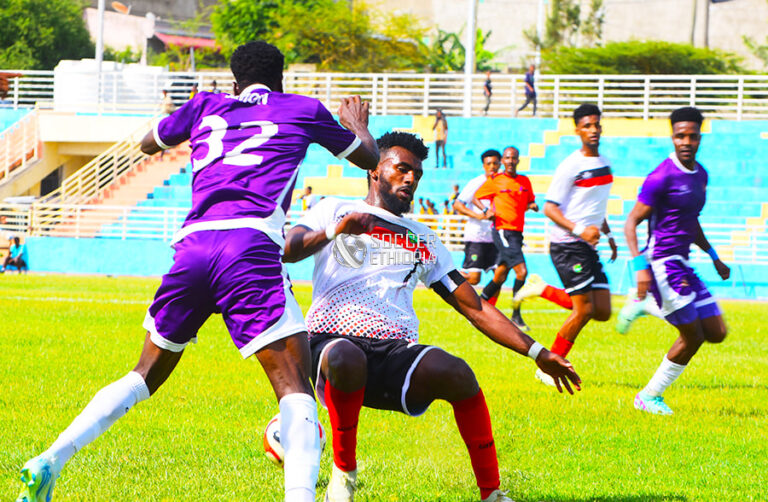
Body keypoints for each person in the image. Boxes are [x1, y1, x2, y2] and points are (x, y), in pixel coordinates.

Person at [16, 40, 379, 502]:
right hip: (248, 246)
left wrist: (190, 112)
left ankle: (50, 460)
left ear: (234, 81)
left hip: (192, 247)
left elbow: (149, 143)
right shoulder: (301, 108)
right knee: (294, 388)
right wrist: (357, 125)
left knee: (143, 375)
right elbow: (369, 159)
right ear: (281, 78)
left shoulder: (206, 104)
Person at [283, 131, 581, 502]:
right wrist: (335, 231)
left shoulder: (423, 238)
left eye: (417, 174)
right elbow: (287, 248)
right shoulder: (334, 209)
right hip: (330, 345)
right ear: (374, 170)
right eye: (402, 169)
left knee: (458, 373)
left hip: (393, 352)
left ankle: (491, 493)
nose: (411, 179)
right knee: (347, 356)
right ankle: (344, 475)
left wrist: (538, 352)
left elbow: (474, 306)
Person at [624, 107, 729, 415]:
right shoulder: (661, 177)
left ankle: (648, 306)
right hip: (660, 263)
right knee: (693, 336)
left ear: (700, 138)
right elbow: (631, 222)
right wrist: (639, 268)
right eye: (680, 136)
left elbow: (691, 221)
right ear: (672, 137)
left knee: (716, 333)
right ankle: (648, 396)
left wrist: (714, 256)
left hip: (682, 263)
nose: (686, 142)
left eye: (692, 136)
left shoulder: (701, 175)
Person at [526, 103, 618, 387]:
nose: (593, 130)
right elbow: (549, 208)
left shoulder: (604, 162)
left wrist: (608, 234)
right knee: (584, 310)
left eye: (596, 124)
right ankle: (548, 368)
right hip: (567, 245)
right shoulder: (570, 166)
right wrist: (580, 230)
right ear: (577, 130)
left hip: (588, 244)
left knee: (602, 310)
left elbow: (594, 205)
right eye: (587, 125)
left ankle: (542, 290)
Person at [475, 146, 538, 331]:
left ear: (518, 160)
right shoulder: (496, 180)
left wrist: (532, 205)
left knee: (500, 276)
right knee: (522, 272)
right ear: (503, 160)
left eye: (514, 158)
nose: (511, 161)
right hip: (503, 231)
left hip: (517, 233)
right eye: (507, 158)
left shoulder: (524, 181)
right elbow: (476, 197)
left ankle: (477, 307)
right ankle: (516, 316)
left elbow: (529, 201)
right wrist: (486, 210)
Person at [453, 150, 500, 302]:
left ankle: (490, 310)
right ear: (483, 166)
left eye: (495, 163)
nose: (492, 166)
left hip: (495, 237)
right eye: (489, 164)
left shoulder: (502, 182)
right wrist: (477, 215)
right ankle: (447, 276)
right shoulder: (476, 183)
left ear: (500, 164)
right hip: (476, 236)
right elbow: (458, 204)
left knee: (499, 276)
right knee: (474, 279)